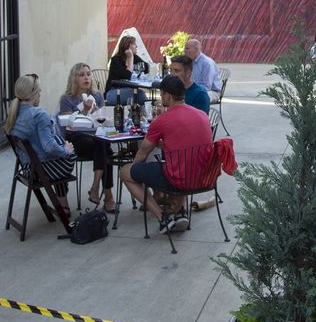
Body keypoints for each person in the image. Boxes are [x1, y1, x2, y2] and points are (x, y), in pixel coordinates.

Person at [121, 75, 213, 234]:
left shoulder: (161, 120)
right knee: (182, 162)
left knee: (125, 172)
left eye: (161, 93)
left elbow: (143, 152)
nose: (160, 96)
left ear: (167, 96)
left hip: (179, 180)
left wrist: (135, 169)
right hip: (204, 177)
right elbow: (187, 144)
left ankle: (162, 218)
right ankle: (181, 212)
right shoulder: (202, 115)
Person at [3, 73, 77, 218]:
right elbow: (49, 147)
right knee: (67, 154)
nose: (40, 93)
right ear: (34, 93)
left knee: (59, 152)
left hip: (27, 169)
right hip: (40, 171)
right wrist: (66, 150)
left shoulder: (14, 113)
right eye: (39, 90)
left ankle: (63, 205)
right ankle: (63, 205)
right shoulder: (38, 115)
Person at [59, 62, 118, 213]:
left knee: (103, 145)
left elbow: (103, 120)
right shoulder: (67, 99)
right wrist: (85, 111)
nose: (86, 78)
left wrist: (99, 112)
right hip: (78, 140)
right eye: (81, 75)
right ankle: (108, 196)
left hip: (97, 138)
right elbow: (69, 126)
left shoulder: (97, 95)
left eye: (88, 74)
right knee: (106, 150)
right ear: (74, 79)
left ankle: (96, 186)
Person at [106, 35, 149, 106]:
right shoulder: (116, 60)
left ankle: (139, 115)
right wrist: (130, 58)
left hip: (129, 91)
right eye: (134, 44)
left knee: (139, 95)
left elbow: (146, 68)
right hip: (113, 93)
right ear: (129, 46)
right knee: (141, 95)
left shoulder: (136, 58)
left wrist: (133, 59)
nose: (136, 46)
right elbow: (127, 75)